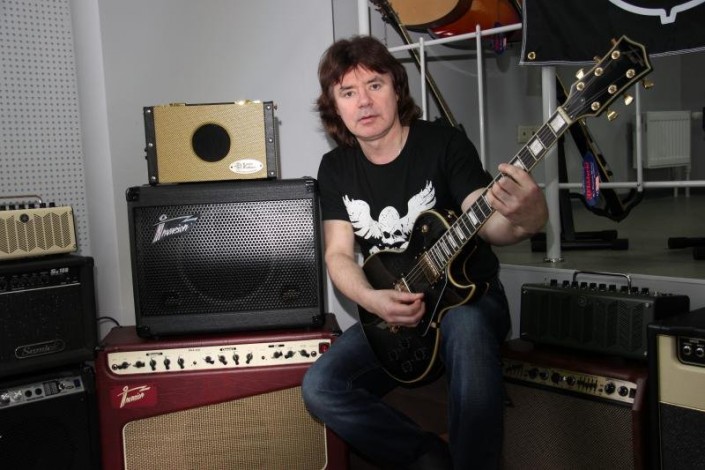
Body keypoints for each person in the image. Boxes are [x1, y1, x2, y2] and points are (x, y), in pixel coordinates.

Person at [301, 35, 548, 469]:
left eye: (375, 85)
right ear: (334, 107)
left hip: (468, 298)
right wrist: (373, 299)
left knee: (465, 324)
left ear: (396, 88)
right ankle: (426, 457)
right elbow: (338, 255)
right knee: (321, 387)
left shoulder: (444, 143)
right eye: (348, 92)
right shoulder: (335, 167)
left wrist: (528, 219)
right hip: (391, 310)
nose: (364, 101)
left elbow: (486, 218)